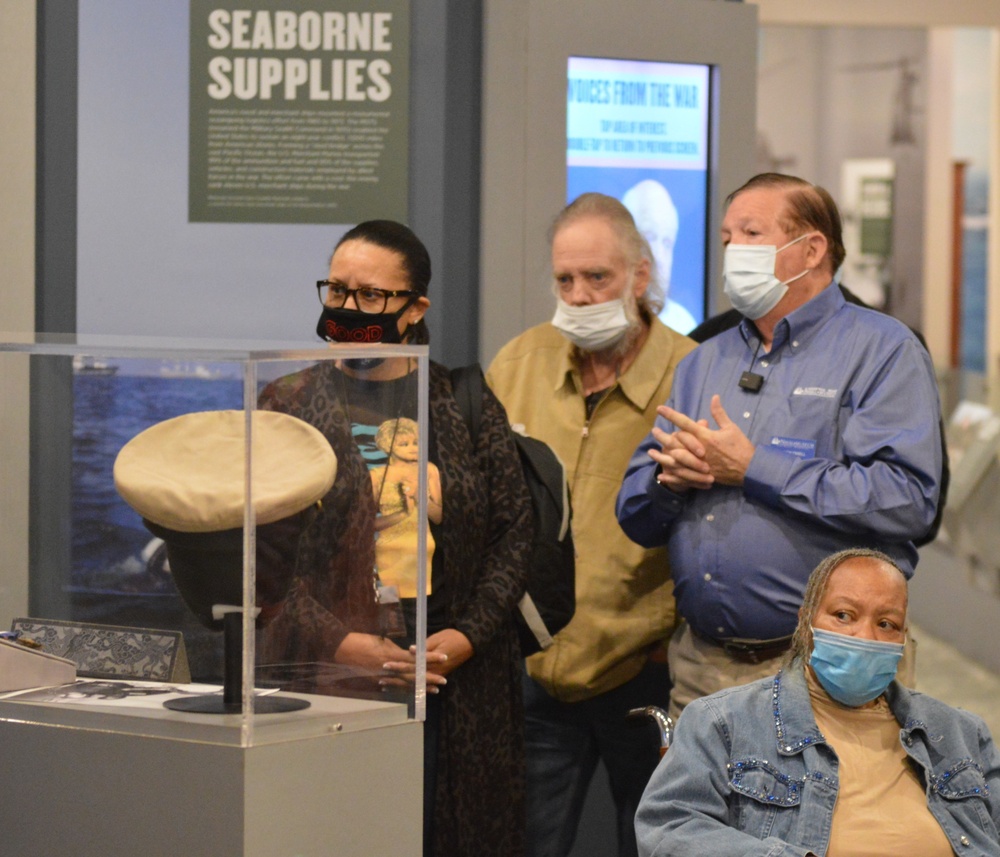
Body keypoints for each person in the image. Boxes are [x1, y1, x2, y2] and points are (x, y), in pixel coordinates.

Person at [616, 172, 943, 721]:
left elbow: (906, 499)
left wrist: (753, 468)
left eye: (750, 233)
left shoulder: (883, 350)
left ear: (811, 249)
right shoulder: (704, 361)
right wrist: (667, 483)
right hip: (702, 667)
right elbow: (634, 510)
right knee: (698, 811)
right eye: (726, 238)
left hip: (827, 671)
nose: (732, 251)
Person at [258, 220, 532, 856]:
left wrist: (468, 636)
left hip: (458, 677)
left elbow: (514, 532)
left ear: (414, 311)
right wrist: (341, 641)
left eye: (372, 296)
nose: (349, 308)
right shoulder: (288, 402)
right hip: (327, 671)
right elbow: (264, 561)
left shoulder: (463, 399)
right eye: (337, 291)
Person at [487, 192, 697, 857]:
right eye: (565, 279)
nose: (578, 295)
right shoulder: (517, 364)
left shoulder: (692, 374)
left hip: (649, 667)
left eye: (597, 277)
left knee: (660, 843)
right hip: (538, 665)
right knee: (523, 840)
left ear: (639, 274)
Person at [635, 548, 1000, 857]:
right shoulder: (723, 722)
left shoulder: (960, 732)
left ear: (903, 637)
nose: (865, 636)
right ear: (807, 620)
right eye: (844, 615)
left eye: (886, 624)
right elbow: (670, 826)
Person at [621, 179, 697, 334]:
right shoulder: (601, 320)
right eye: (649, 238)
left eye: (667, 243)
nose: (659, 257)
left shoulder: (685, 326)